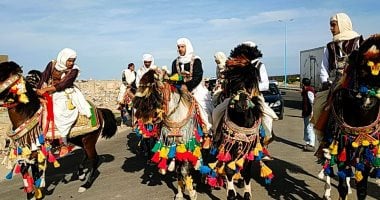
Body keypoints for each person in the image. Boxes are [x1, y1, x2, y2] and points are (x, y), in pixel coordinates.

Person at [36, 48, 92, 149]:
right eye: (69, 60)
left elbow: (64, 84)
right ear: (63, 58)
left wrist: (46, 90)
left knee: (60, 110)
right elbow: (44, 77)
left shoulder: (74, 70)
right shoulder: (52, 64)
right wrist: (39, 90)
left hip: (64, 92)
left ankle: (63, 140)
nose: (71, 63)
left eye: (73, 61)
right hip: (48, 90)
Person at [171, 37, 213, 133]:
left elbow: (198, 76)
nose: (180, 49)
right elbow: (174, 76)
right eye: (178, 47)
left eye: (182, 47)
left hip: (195, 88)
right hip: (180, 89)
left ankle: (208, 131)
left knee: (203, 106)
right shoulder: (175, 62)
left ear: (187, 47)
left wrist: (188, 86)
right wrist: (179, 85)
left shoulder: (196, 60)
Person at [320, 12, 363, 90]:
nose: (331, 28)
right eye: (330, 25)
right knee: (318, 102)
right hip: (334, 87)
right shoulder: (330, 46)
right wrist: (324, 82)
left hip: (356, 87)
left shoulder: (358, 42)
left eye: (333, 25)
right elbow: (324, 67)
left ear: (342, 24)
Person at [301, 78, 316, 152]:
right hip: (307, 112)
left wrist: (312, 113)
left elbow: (312, 102)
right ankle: (307, 142)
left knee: (310, 128)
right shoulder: (306, 91)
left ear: (303, 84)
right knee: (307, 127)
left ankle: (311, 144)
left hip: (309, 113)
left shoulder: (309, 91)